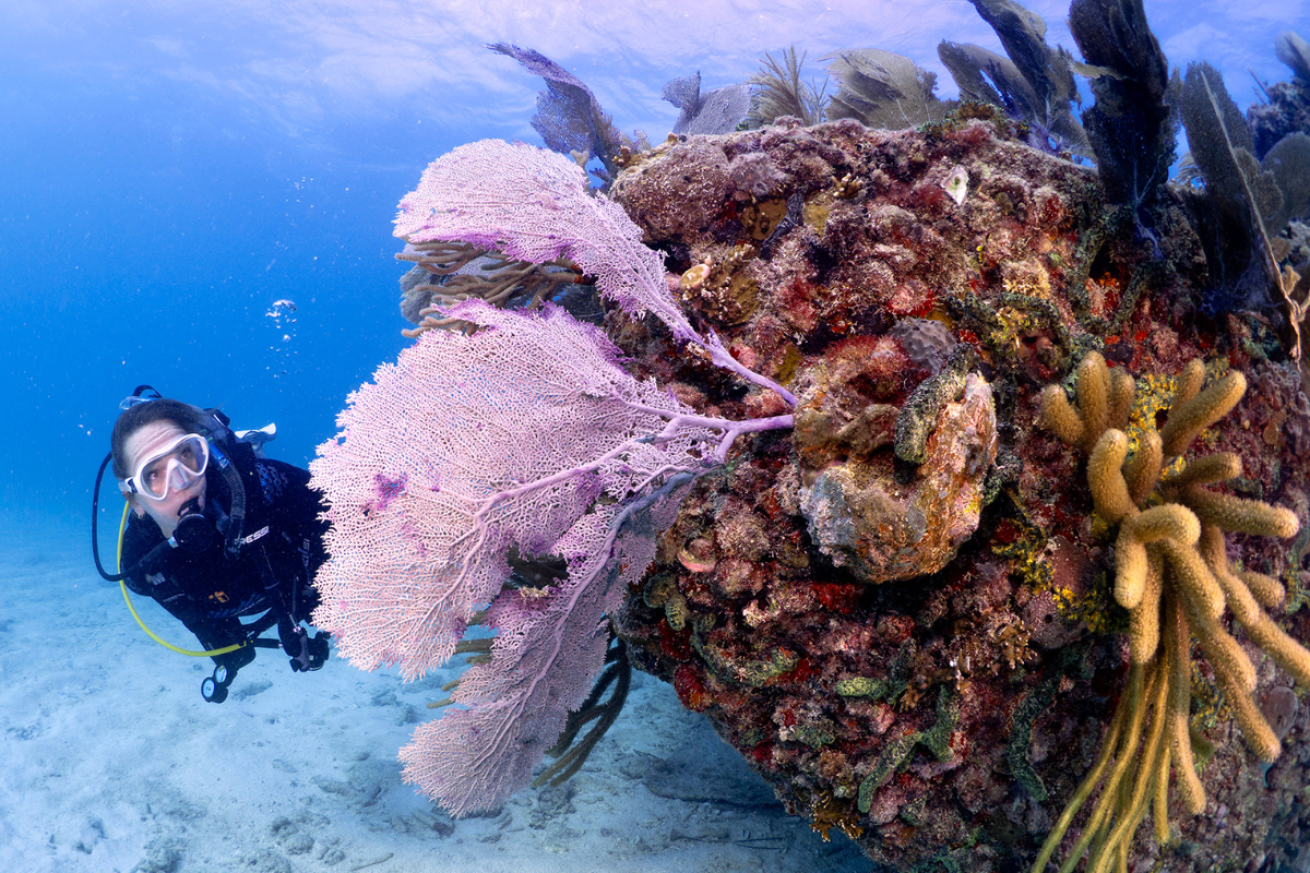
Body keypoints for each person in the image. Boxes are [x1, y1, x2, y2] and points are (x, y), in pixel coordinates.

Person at [102, 390, 329, 701]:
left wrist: (317, 591)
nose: (181, 482)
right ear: (135, 499)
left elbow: (340, 507)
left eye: (186, 454)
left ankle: (250, 441)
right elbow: (186, 611)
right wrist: (220, 643)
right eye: (153, 474)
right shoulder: (142, 566)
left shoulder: (262, 485)